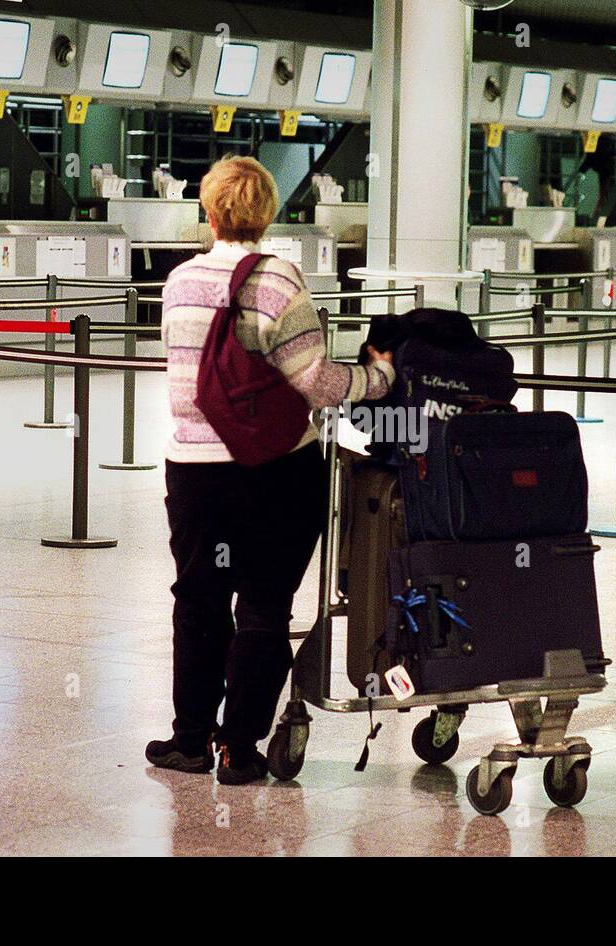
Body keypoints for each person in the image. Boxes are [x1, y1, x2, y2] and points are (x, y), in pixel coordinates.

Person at [146, 156, 395, 784]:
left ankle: (190, 740)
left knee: (199, 600)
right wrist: (381, 376)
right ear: (268, 213)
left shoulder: (178, 282)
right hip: (274, 474)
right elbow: (318, 382)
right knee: (263, 606)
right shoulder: (279, 282)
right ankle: (240, 748)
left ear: (208, 210)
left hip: (195, 472)